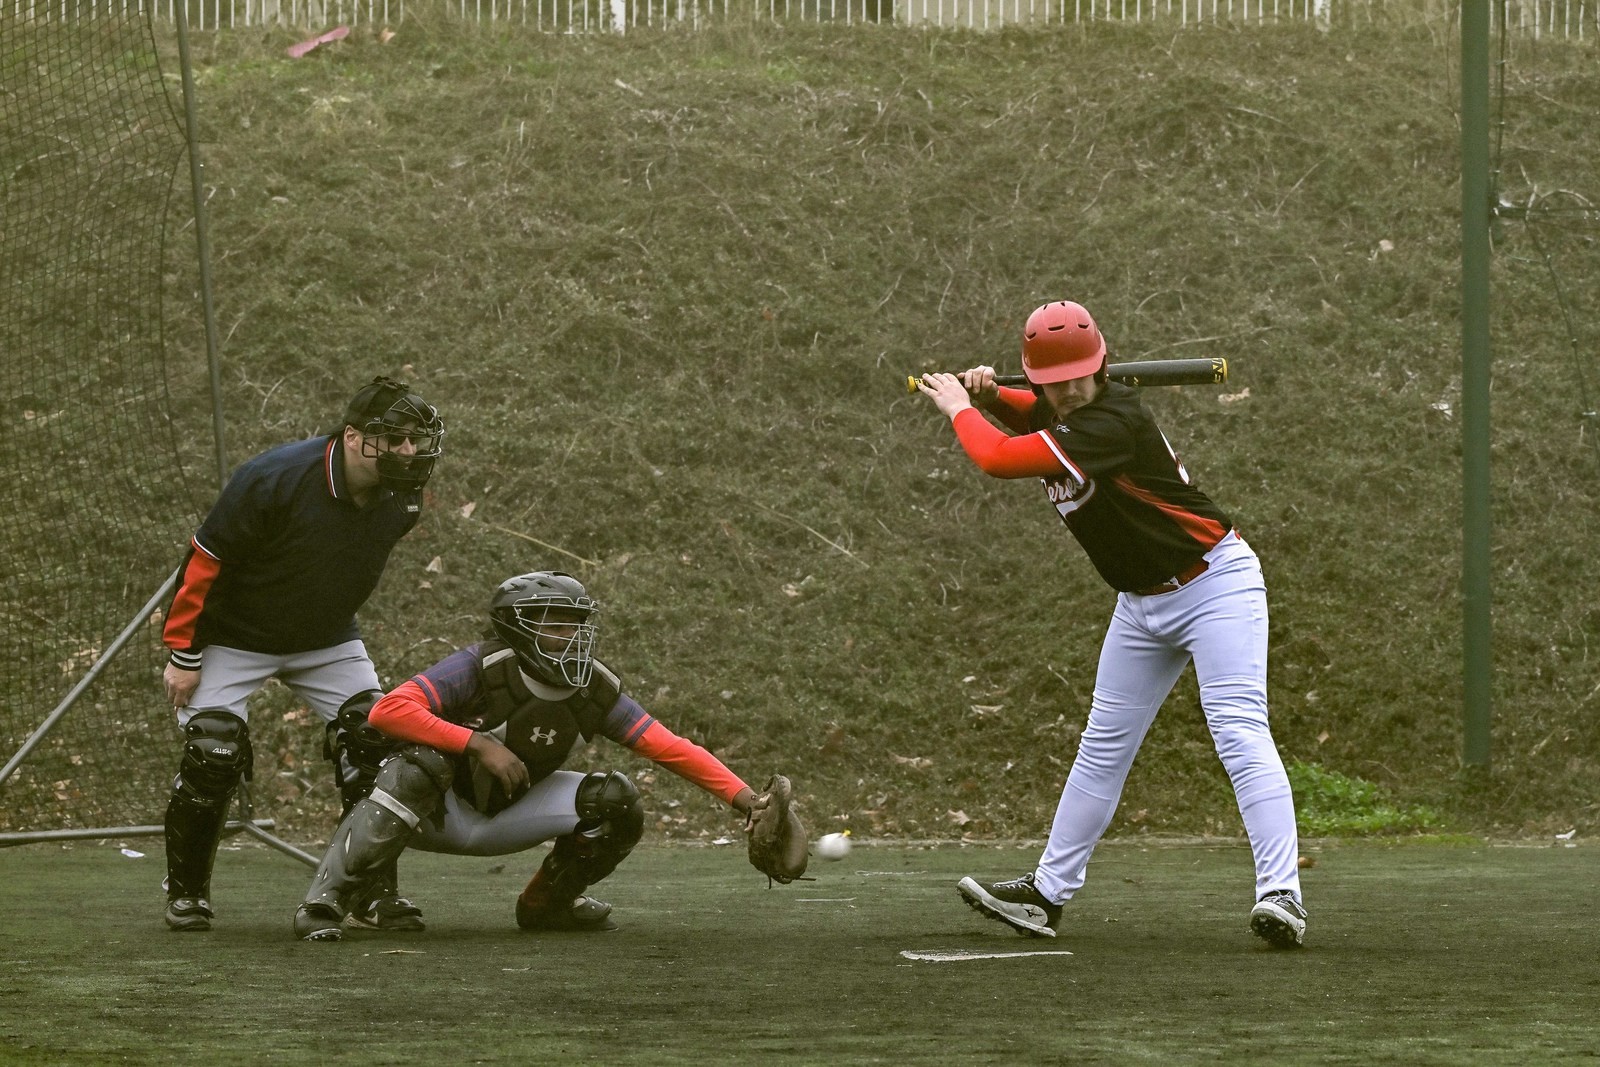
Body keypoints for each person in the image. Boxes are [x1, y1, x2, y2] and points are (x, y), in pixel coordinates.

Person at [915, 299, 1306, 949]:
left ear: (1099, 368)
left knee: (1238, 728)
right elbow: (1028, 410)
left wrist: (958, 404)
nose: (1070, 389)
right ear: (1038, 379)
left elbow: (1000, 459)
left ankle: (1281, 893)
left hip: (1214, 584)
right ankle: (1047, 893)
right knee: (1101, 747)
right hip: (1141, 602)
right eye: (1056, 379)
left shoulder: (1112, 420)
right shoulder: (1061, 407)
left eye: (1081, 375)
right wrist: (990, 394)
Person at [291, 570, 777, 942]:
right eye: (557, 624)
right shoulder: (480, 666)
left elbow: (669, 747)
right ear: (516, 628)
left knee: (616, 799)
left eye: (577, 624)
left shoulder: (593, 686)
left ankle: (548, 904)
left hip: (506, 815)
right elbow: (388, 712)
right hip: (435, 809)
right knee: (408, 757)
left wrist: (746, 800)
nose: (572, 635)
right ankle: (330, 901)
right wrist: (477, 743)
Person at [159, 375, 445, 934]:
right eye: (396, 438)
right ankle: (187, 893)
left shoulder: (403, 496)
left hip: (327, 639)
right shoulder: (272, 479)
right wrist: (183, 654)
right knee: (214, 749)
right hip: (234, 637)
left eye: (418, 438)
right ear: (355, 436)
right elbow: (203, 565)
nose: (410, 451)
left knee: (377, 740)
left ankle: (365, 892)